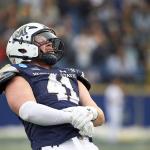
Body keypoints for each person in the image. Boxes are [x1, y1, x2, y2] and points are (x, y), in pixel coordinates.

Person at [0, 22, 105, 150]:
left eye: (49, 39)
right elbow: (28, 111)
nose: (50, 43)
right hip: (53, 145)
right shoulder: (18, 73)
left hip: (87, 145)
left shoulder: (71, 73)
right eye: (42, 39)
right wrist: (70, 117)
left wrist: (89, 113)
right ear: (22, 45)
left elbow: (100, 116)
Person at [104, 78, 124, 142]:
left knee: (117, 122)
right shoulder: (110, 89)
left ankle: (116, 137)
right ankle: (111, 138)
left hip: (118, 108)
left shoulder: (118, 88)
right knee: (112, 122)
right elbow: (109, 100)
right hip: (112, 108)